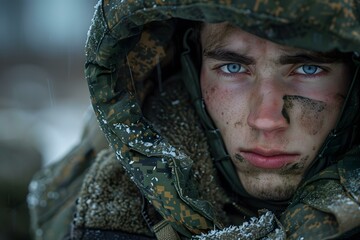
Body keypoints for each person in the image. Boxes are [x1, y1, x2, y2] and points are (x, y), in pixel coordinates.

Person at [28, 0, 360, 239]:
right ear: (192, 70)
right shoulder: (108, 192)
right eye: (233, 68)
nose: (266, 120)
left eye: (308, 69)